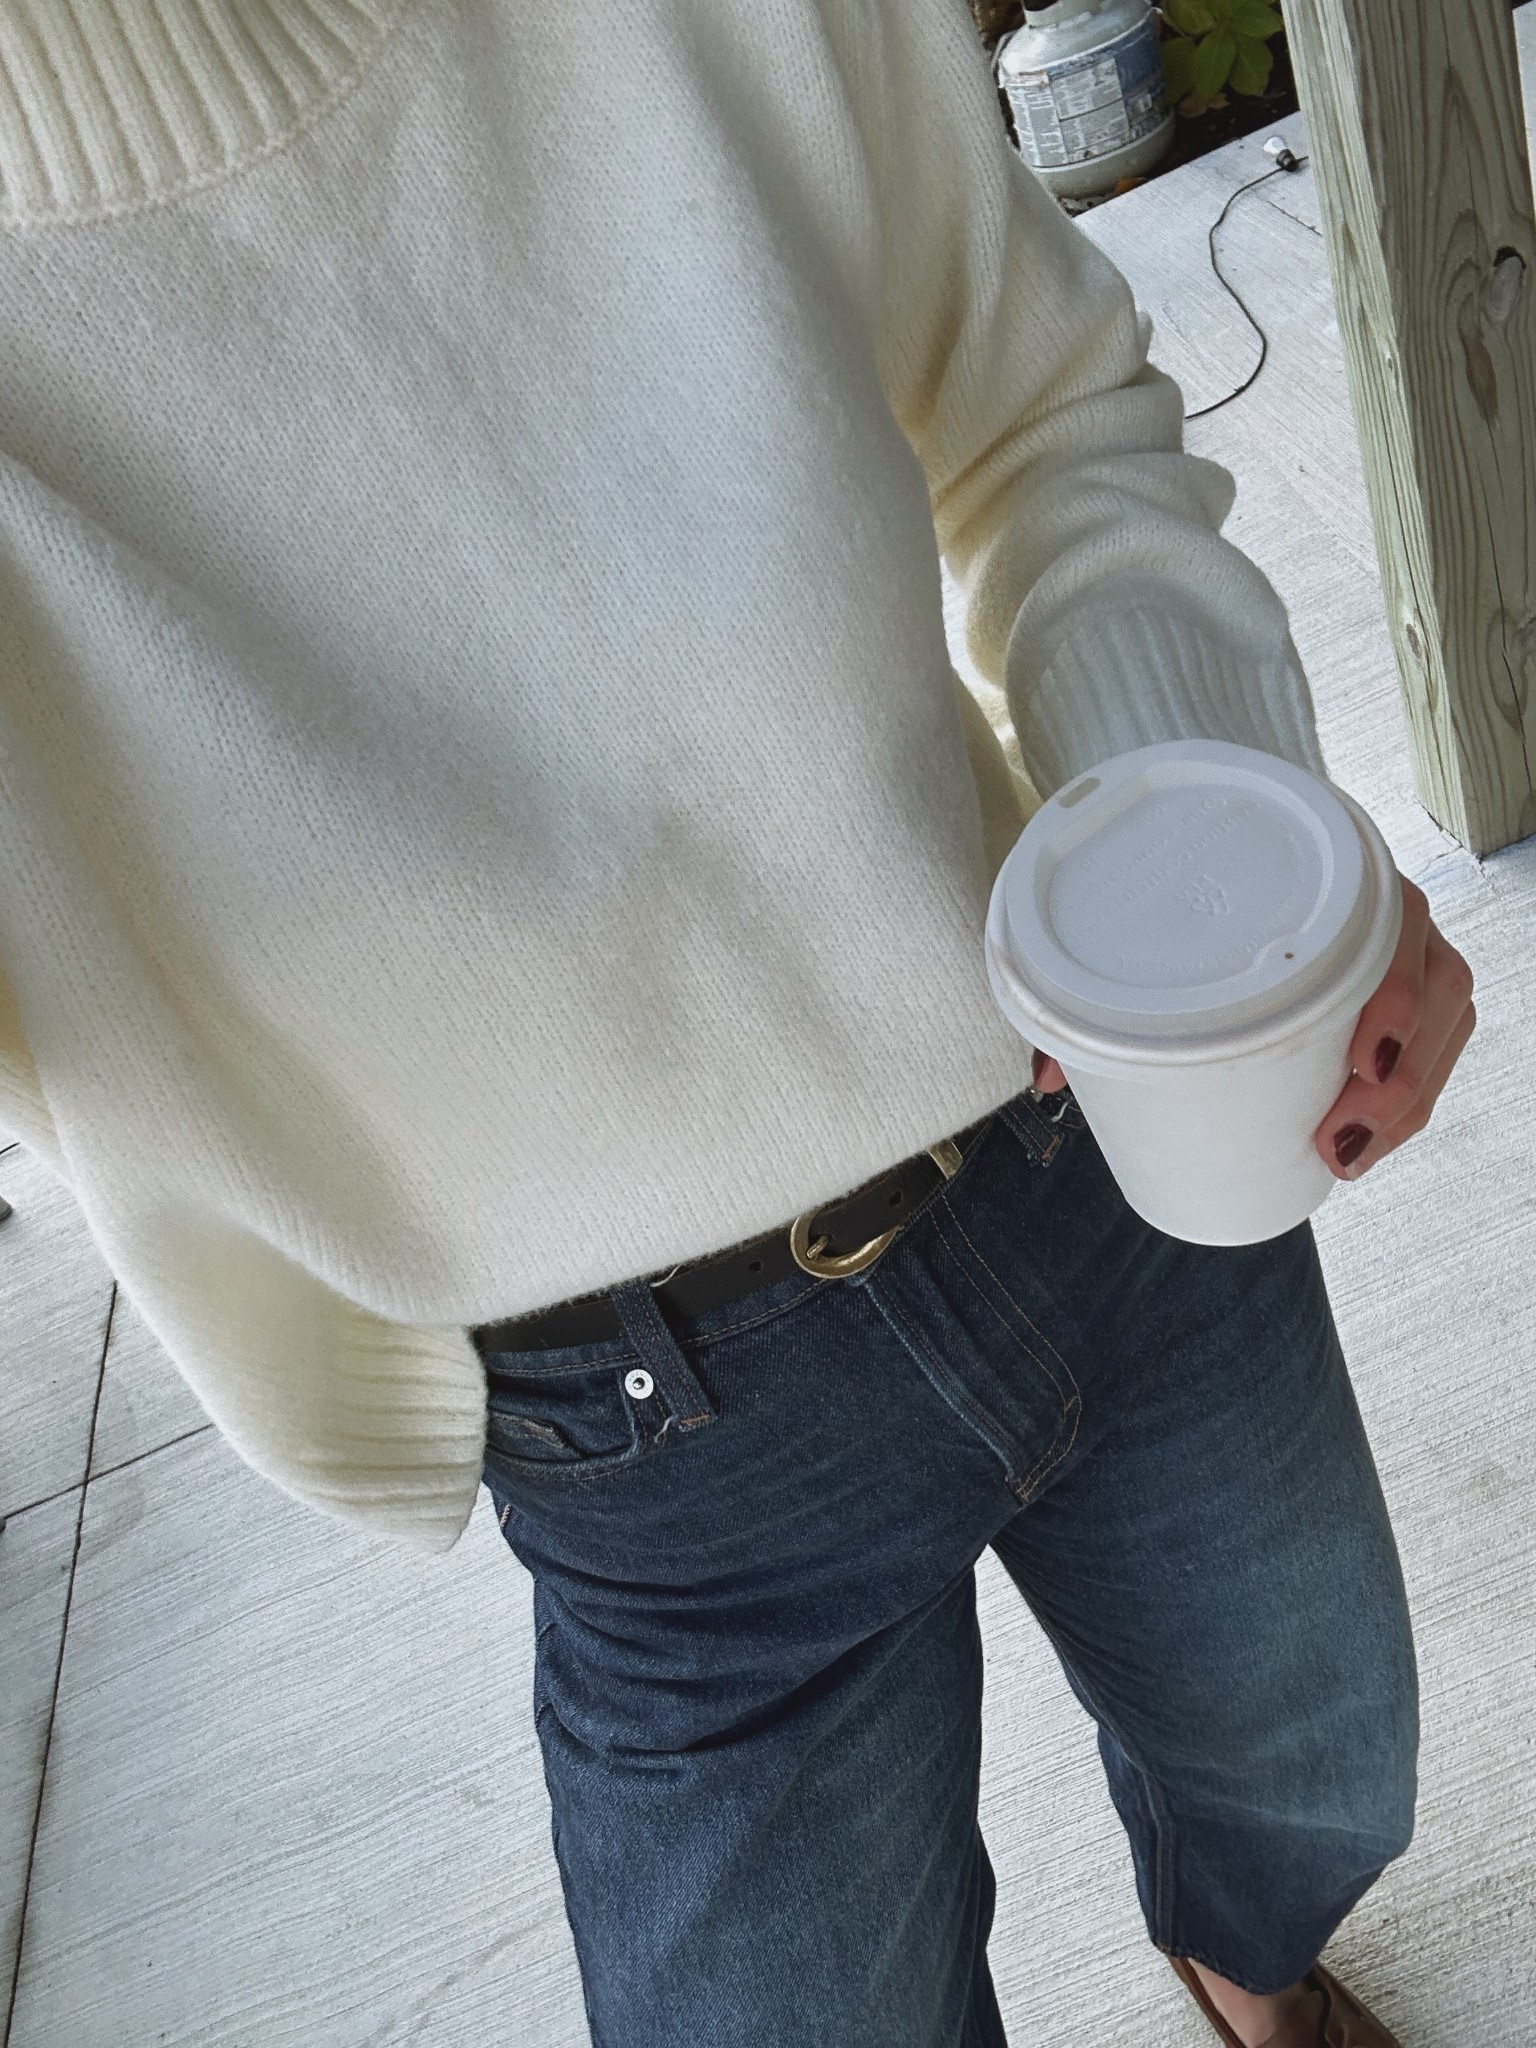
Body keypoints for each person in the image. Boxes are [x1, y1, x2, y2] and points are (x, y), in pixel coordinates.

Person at [0, 2, 1475, 2044]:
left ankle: (1249, 1959)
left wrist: (1217, 882)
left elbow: (1039, 409)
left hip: (1084, 1133)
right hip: (639, 1444)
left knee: (1319, 1776)